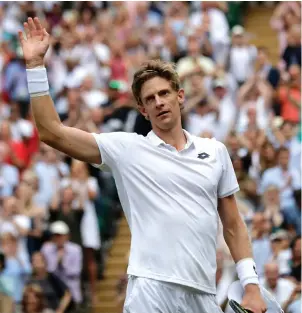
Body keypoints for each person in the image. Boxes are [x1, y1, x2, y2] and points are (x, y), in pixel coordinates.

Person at [19, 17, 267, 313]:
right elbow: (51, 132)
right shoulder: (127, 149)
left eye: (164, 93)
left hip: (203, 295)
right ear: (143, 110)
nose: (159, 101)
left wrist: (251, 284)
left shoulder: (215, 151)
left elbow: (234, 226)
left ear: (180, 96)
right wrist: (35, 66)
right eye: (150, 99)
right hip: (150, 291)